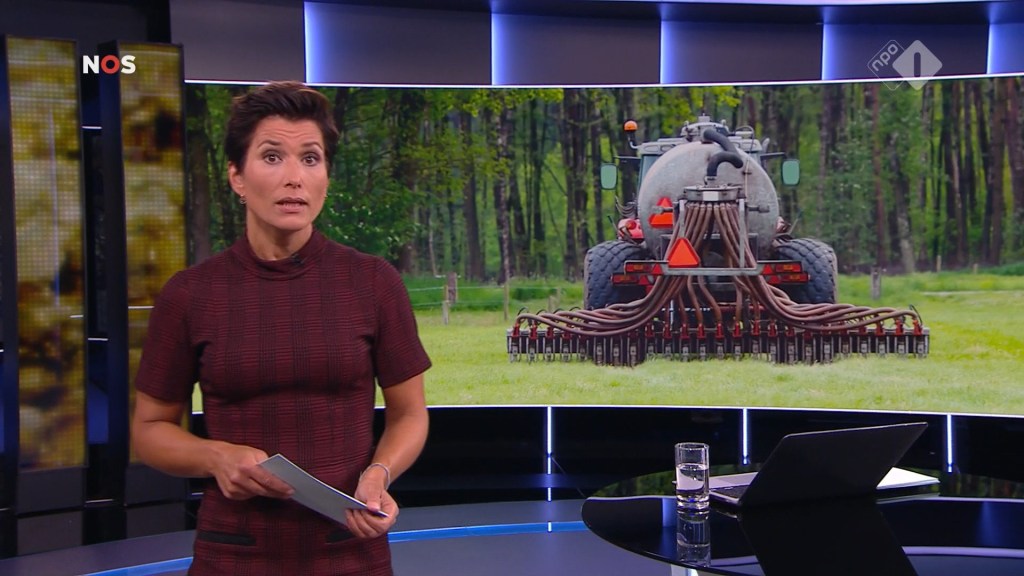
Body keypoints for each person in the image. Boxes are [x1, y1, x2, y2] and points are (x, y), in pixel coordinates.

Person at [131, 81, 431, 575]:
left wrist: (380, 472)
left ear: (326, 176)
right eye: (272, 157)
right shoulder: (190, 294)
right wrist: (215, 457)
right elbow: (149, 431)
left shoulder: (373, 282)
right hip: (233, 556)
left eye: (310, 159)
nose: (294, 178)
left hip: (349, 551)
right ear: (237, 176)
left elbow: (410, 415)